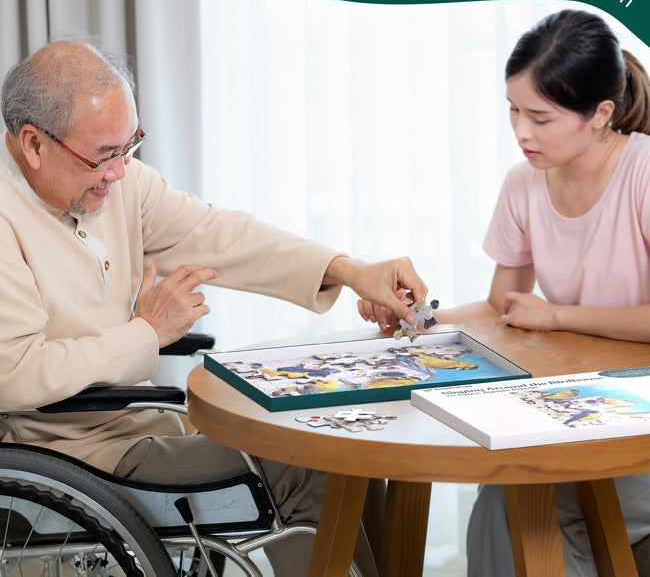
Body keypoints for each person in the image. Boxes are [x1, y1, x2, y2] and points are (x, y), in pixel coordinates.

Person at [0, 39, 430, 577]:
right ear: (34, 144)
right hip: (74, 455)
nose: (119, 172)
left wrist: (348, 270)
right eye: (103, 156)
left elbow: (217, 234)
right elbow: (15, 374)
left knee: (353, 450)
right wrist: (146, 331)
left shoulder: (118, 183)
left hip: (142, 424)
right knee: (312, 461)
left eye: (128, 146)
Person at [359, 8, 650, 576]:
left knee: (516, 502)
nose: (521, 132)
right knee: (505, 498)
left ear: (601, 114)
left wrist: (559, 317)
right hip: (582, 406)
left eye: (540, 118)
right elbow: (502, 308)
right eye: (513, 110)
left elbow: (540, 316)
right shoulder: (523, 183)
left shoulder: (643, 175)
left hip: (638, 421)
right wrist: (419, 319)